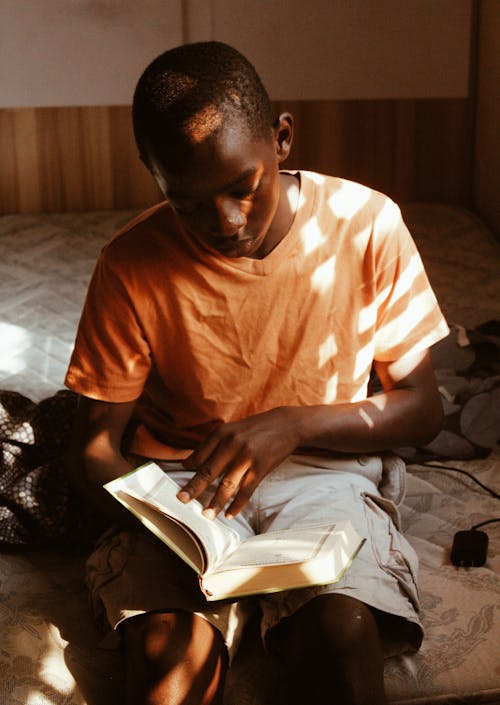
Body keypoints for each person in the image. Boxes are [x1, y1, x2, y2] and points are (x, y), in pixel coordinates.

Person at [65, 41, 449, 705]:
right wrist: (167, 525)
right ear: (153, 175)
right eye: (187, 204)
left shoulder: (367, 224)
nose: (227, 223)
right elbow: (96, 444)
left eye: (244, 188)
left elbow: (423, 407)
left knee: (340, 635)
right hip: (182, 492)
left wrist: (293, 424)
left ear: (283, 139)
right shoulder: (129, 264)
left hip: (324, 478)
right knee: (169, 670)